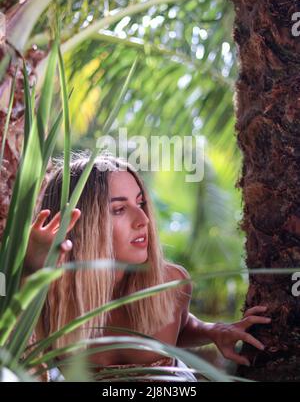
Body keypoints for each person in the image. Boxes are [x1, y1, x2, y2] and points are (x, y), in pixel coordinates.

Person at [24, 154, 271, 382]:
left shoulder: (170, 283)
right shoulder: (46, 296)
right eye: (119, 209)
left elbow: (178, 325)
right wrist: (30, 268)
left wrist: (212, 331)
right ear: (80, 225)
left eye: (140, 203)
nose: (143, 220)